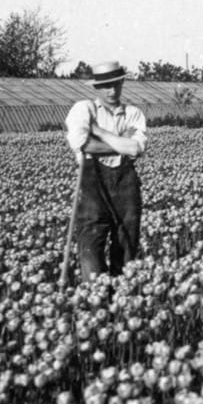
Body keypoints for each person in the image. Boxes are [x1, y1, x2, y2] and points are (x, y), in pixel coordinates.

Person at [64, 60, 147, 280]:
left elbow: (136, 149)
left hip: (126, 183)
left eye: (116, 84)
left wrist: (98, 131)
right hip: (93, 183)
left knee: (127, 241)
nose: (112, 91)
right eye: (106, 86)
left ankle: (123, 297)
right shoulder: (84, 109)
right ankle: (96, 301)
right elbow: (81, 144)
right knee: (91, 242)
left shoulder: (134, 113)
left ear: (122, 83)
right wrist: (121, 143)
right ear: (96, 88)